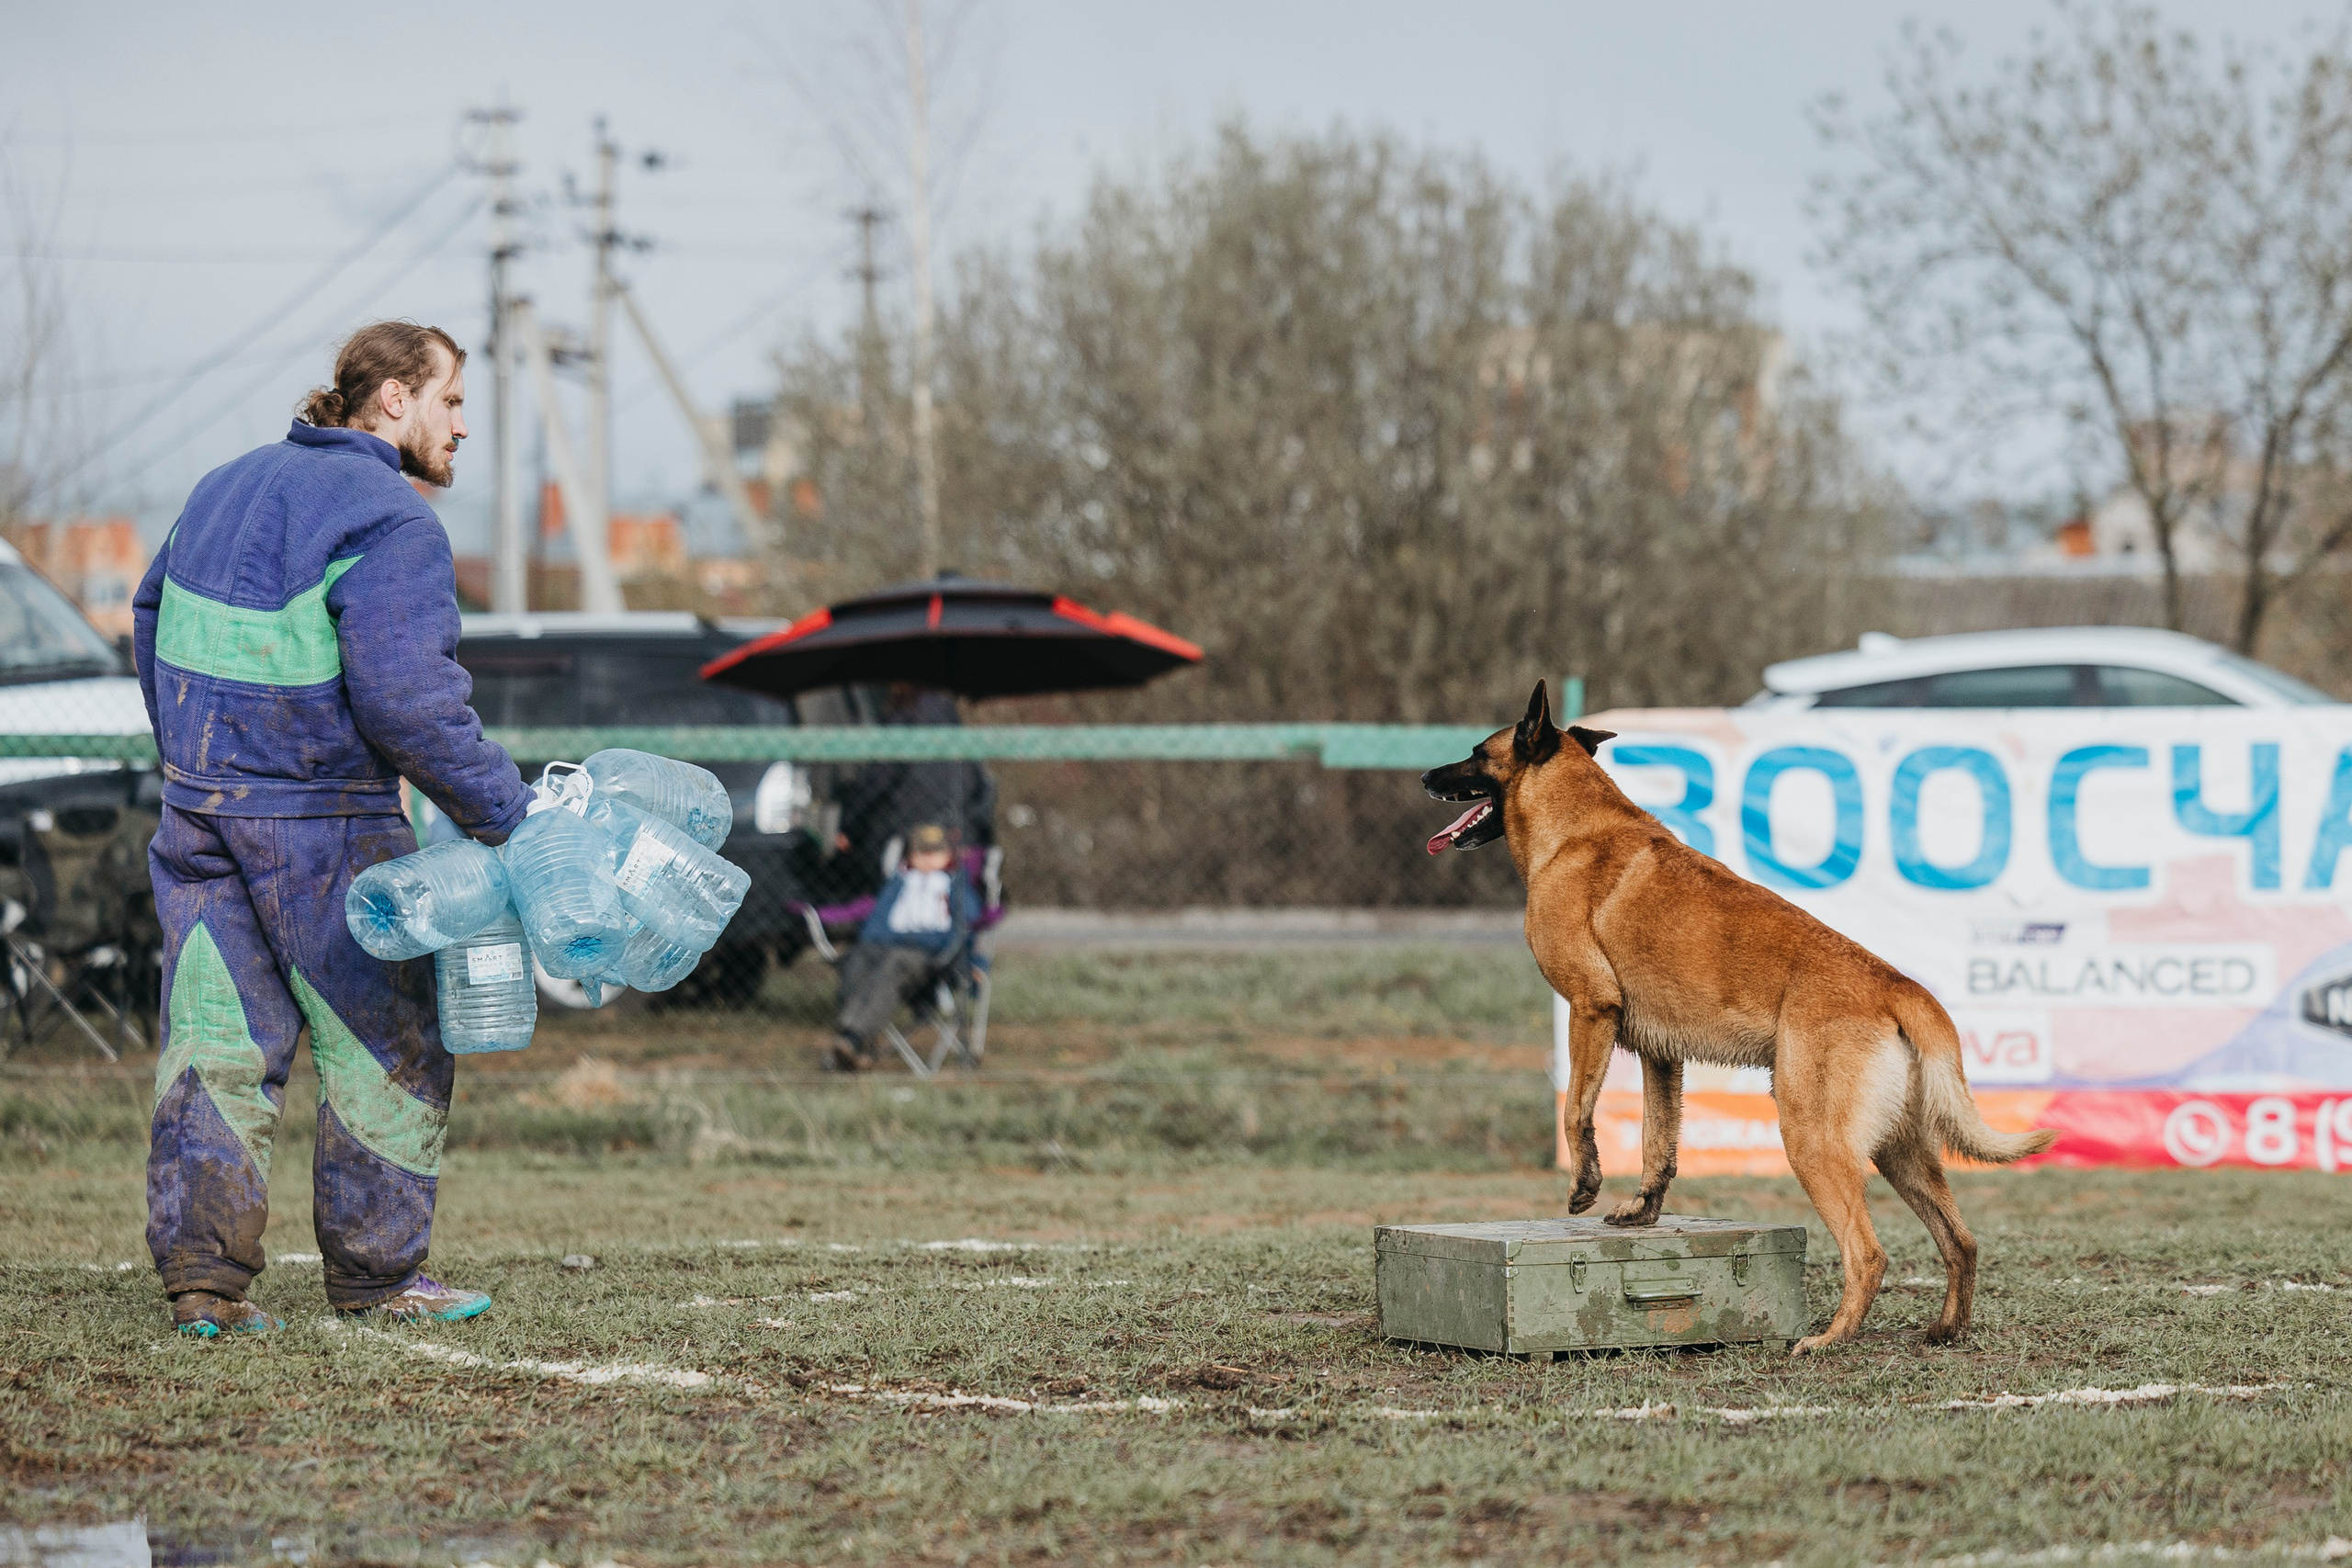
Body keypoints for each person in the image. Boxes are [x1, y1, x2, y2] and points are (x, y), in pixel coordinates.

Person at [133, 321, 530, 1337]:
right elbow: (408, 702)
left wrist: (196, 757)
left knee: (218, 1040)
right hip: (323, 824)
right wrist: (508, 813)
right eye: (450, 401)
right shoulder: (389, 519)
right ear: (392, 400)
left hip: (198, 811)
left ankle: (204, 1287)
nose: (462, 425)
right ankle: (380, 1280)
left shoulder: (223, 484)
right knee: (386, 1043)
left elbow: (148, 613)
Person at [826, 823, 982, 1072]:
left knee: (895, 963)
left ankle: (852, 1037)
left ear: (948, 855)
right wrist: (882, 941)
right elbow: (875, 926)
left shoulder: (956, 884)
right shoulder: (900, 881)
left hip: (929, 956)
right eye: (922, 853)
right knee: (856, 959)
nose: (929, 859)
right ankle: (855, 1041)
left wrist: (918, 940)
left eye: (936, 853)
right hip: (888, 946)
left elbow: (963, 926)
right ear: (910, 856)